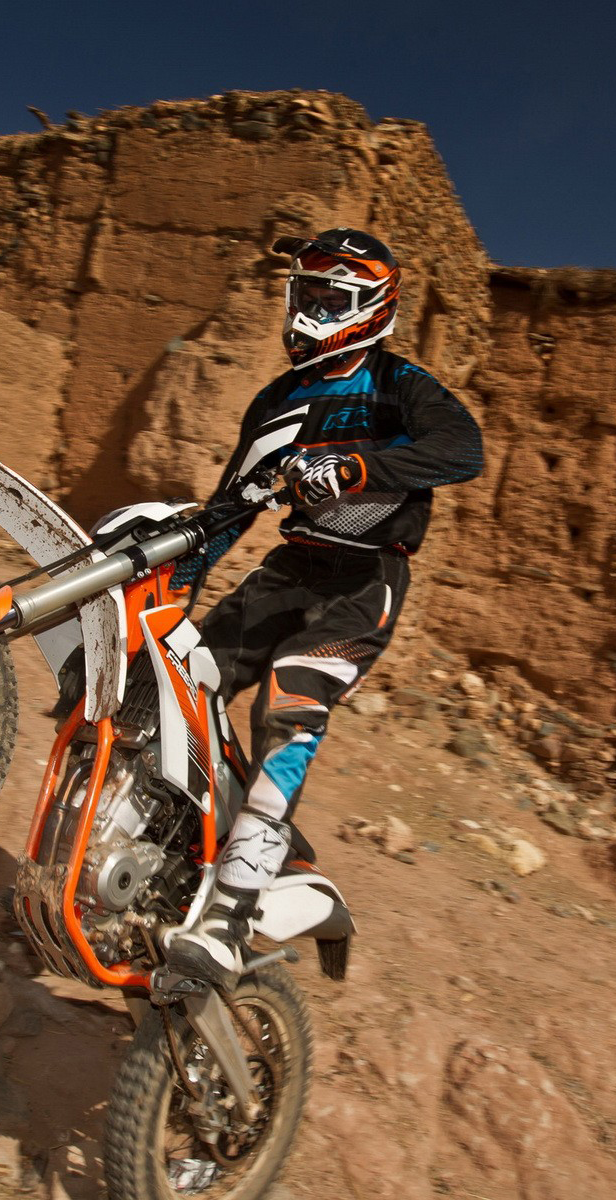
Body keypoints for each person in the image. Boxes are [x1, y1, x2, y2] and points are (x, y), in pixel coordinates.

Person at [164, 228, 485, 987]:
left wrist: (361, 465)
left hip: (364, 580)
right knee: (178, 680)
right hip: (288, 569)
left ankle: (230, 914)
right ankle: (224, 840)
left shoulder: (397, 384)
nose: (309, 312)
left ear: (371, 308)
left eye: (328, 300)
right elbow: (230, 508)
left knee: (289, 702)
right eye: (303, 295)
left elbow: (464, 449)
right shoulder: (274, 400)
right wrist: (176, 589)